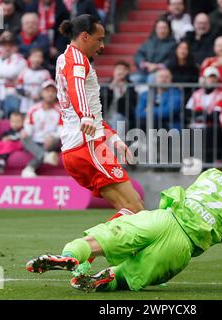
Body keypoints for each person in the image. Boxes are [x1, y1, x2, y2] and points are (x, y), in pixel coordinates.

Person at [26, 152, 222, 292]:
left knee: (100, 240)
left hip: (162, 219)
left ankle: (70, 254)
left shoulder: (210, 175)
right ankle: (105, 278)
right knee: (126, 276)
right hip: (179, 249)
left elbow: (217, 196)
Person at [54, 15, 144, 214]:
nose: (102, 45)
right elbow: (76, 87)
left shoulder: (65, 57)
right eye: (99, 39)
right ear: (85, 36)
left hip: (79, 146)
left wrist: (114, 139)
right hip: (87, 145)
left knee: (132, 206)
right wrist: (85, 115)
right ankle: (84, 246)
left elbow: (92, 108)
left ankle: (89, 245)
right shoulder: (77, 60)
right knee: (135, 209)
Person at [20, 80, 62, 178]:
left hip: (50, 142)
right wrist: (25, 132)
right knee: (24, 137)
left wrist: (52, 137)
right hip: (35, 141)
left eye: (53, 91)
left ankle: (30, 167)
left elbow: (61, 131)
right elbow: (28, 129)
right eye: (47, 91)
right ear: (42, 93)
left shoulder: (60, 111)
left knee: (56, 141)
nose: (50, 94)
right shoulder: (33, 109)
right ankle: (46, 156)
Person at [132, 18, 176, 84]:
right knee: (133, 79)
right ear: (155, 29)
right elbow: (138, 54)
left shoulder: (173, 44)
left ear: (169, 29)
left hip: (161, 72)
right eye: (159, 28)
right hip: (144, 70)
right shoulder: (149, 42)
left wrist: (157, 66)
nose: (162, 30)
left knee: (152, 79)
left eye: (164, 28)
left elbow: (172, 60)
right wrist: (144, 64)